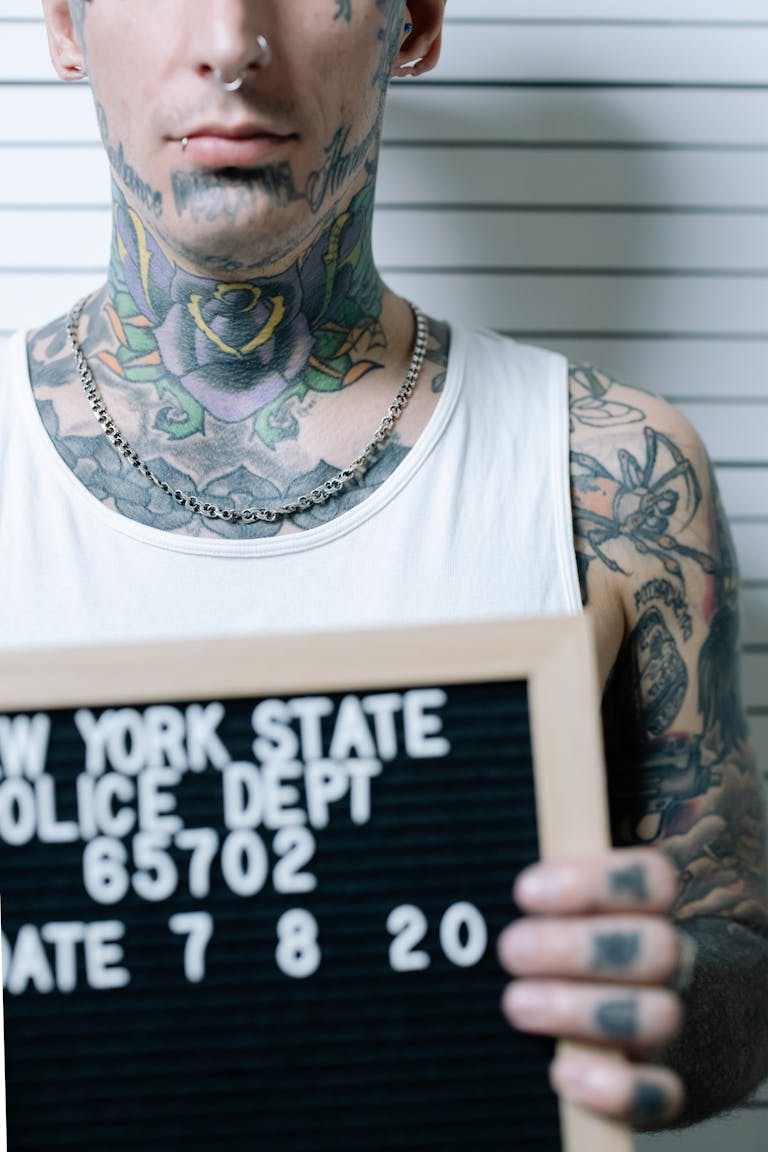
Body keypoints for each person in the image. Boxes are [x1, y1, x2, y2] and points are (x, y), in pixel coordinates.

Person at [1, 0, 766, 1137]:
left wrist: (659, 1003)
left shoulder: (611, 477)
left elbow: (732, 944)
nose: (230, 40)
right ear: (66, 25)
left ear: (415, 22)